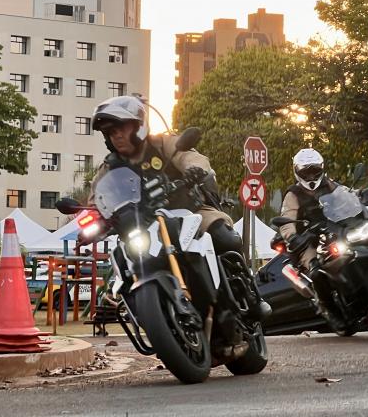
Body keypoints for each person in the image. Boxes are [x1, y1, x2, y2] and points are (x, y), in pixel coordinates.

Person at [88, 95, 271, 324]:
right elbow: (95, 201)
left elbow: (190, 156)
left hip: (190, 212)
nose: (116, 135)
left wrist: (194, 170)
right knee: (125, 263)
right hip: (145, 226)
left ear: (138, 125)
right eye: (110, 132)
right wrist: (93, 221)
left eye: (121, 128)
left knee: (224, 237)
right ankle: (147, 312)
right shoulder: (109, 167)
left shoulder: (161, 144)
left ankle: (252, 297)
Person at [278, 148, 345, 329]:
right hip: (309, 240)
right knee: (316, 271)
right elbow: (287, 220)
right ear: (297, 172)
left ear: (321, 169)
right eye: (306, 172)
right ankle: (330, 309)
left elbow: (346, 195)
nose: (311, 176)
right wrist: (293, 237)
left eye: (315, 170)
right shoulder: (293, 194)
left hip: (334, 230)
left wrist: (360, 196)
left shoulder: (329, 184)